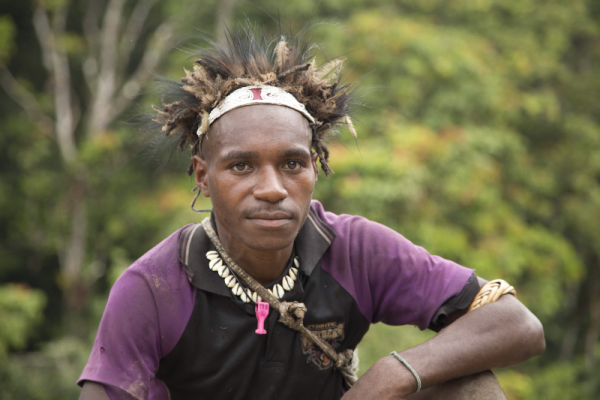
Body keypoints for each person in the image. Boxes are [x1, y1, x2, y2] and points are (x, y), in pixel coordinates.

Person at [77, 24, 545, 400]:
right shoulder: (155, 288)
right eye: (241, 166)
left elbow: (517, 325)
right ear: (202, 176)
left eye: (292, 164)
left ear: (315, 169)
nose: (273, 189)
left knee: (470, 387)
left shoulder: (355, 250)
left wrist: (394, 374)